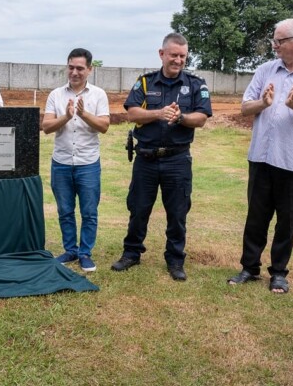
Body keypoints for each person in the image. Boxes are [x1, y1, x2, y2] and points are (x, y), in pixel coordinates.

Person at [227, 19, 293, 294]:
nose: (274, 46)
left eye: (279, 41)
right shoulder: (266, 70)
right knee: (256, 217)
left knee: (287, 221)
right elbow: (244, 107)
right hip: (262, 158)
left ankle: (278, 273)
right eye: (274, 41)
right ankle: (249, 268)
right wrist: (263, 103)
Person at [111, 33, 212, 281]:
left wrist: (181, 118)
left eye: (182, 56)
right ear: (162, 54)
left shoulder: (196, 84)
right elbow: (132, 114)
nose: (178, 60)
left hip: (177, 160)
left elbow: (201, 118)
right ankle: (131, 253)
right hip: (146, 158)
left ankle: (175, 260)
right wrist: (158, 114)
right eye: (173, 55)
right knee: (138, 208)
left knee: (177, 212)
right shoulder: (145, 83)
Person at [42, 48, 110, 272]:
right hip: (61, 163)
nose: (75, 72)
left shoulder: (98, 95)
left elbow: (104, 126)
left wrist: (82, 114)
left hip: (88, 163)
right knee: (65, 210)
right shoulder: (56, 95)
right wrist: (66, 116)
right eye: (71, 67)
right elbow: (46, 127)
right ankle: (70, 249)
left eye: (80, 68)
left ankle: (85, 253)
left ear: (90, 69)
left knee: (89, 212)